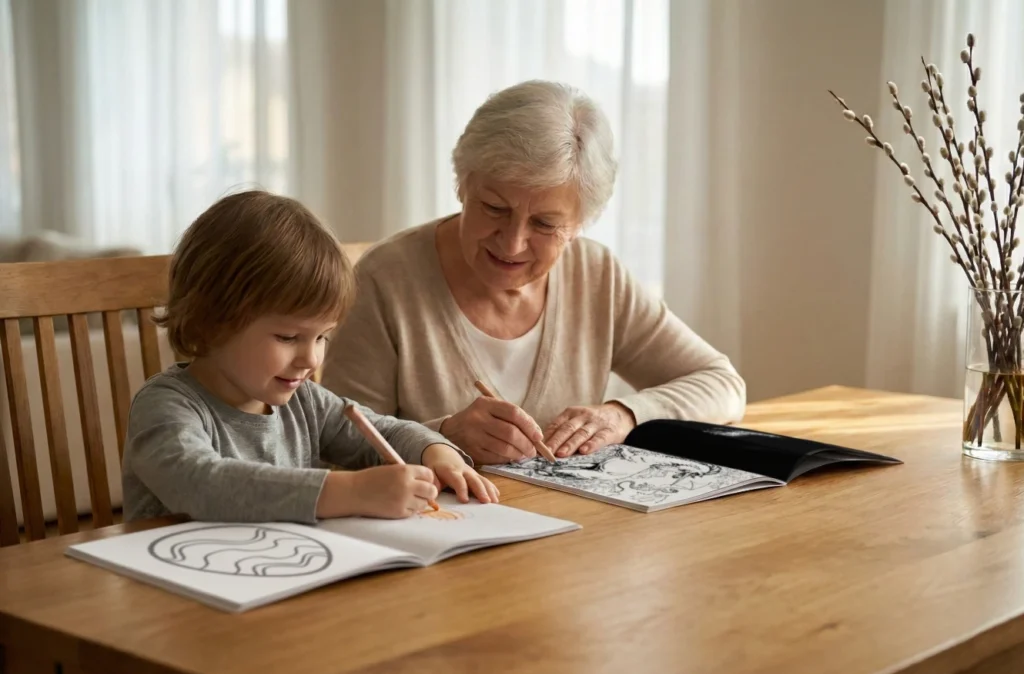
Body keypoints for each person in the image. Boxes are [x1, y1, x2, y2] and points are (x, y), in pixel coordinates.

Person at [321, 80, 746, 465]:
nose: (512, 243)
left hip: (570, 521)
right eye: (494, 208)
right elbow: (332, 443)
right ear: (462, 185)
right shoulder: (384, 280)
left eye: (544, 224)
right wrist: (440, 438)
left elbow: (721, 384)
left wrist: (625, 414)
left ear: (579, 224)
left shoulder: (597, 276)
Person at [121, 190, 498, 523]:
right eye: (288, 337)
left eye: (321, 337)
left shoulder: (306, 403)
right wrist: (350, 491)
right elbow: (200, 484)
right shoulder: (166, 406)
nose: (311, 359)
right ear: (212, 321)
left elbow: (384, 430)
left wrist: (435, 451)